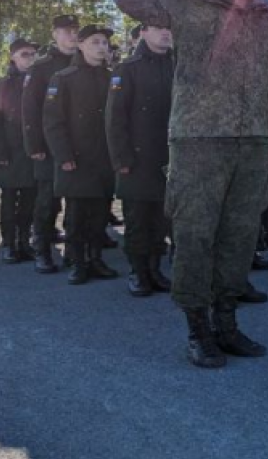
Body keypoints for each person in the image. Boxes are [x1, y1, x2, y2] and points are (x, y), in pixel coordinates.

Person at [115, 0, 268, 368]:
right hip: (198, 139)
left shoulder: (266, 9)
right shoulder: (183, 1)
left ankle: (228, 323)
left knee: (239, 236)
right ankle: (198, 329)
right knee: (195, 236)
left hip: (251, 140)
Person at [105, 21, 175, 297]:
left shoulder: (178, 65)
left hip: (170, 158)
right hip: (136, 158)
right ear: (143, 32)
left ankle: (155, 270)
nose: (166, 32)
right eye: (158, 27)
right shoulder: (127, 69)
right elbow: (115, 119)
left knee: (161, 219)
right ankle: (138, 271)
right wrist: (121, 158)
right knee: (137, 220)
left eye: (169, 27)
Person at [44, 25, 118, 286]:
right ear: (81, 45)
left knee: (100, 214)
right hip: (76, 158)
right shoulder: (64, 77)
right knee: (76, 216)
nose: (102, 47)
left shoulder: (113, 77)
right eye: (96, 42)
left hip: (105, 159)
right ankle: (77, 262)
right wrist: (63, 155)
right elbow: (53, 121)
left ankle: (96, 259)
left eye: (105, 43)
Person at [22, 15, 80, 274]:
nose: (72, 35)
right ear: (54, 34)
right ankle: (42, 251)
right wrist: (34, 144)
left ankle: (74, 252)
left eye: (75, 30)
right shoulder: (41, 67)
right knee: (48, 202)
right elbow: (30, 109)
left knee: (78, 201)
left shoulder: (84, 61)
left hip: (80, 144)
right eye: (66, 31)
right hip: (48, 145)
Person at [0, 38, 40, 263]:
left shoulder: (40, 82)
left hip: (34, 152)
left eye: (33, 54)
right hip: (10, 153)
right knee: (8, 200)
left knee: (30, 201)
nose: (30, 58)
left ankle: (25, 241)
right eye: (25, 54)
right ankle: (9, 244)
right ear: (12, 57)